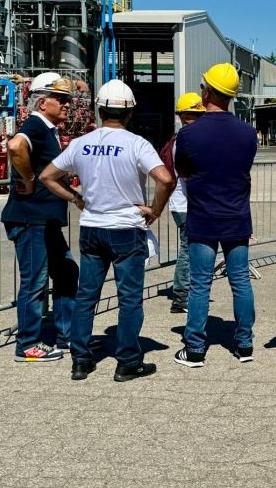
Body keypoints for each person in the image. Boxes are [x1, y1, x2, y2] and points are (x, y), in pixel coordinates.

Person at [40, 79, 175, 382]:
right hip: (126, 229)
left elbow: (48, 176)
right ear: (129, 113)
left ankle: (81, 360)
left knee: (87, 296)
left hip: (92, 228)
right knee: (129, 298)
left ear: (100, 110)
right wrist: (154, 210)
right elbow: (165, 179)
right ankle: (127, 361)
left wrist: (76, 198)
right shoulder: (137, 144)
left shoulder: (80, 144)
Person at [173, 63, 258, 367]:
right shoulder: (248, 134)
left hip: (203, 217)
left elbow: (182, 171)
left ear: (207, 91)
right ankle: (245, 344)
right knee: (240, 282)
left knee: (200, 284)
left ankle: (195, 348)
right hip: (236, 217)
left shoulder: (189, 135)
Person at [2, 72, 78, 362]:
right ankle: (27, 344)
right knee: (34, 281)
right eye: (61, 99)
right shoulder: (35, 124)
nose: (67, 105)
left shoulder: (49, 129)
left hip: (44, 220)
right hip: (30, 218)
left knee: (67, 271)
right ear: (43, 102)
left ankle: (67, 335)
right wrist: (30, 179)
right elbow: (15, 146)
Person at [159, 92, 206, 314]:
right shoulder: (184, 141)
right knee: (188, 250)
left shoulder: (184, 138)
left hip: (184, 204)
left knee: (190, 248)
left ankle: (185, 292)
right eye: (195, 115)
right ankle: (181, 297)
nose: (198, 119)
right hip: (185, 204)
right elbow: (190, 176)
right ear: (185, 116)